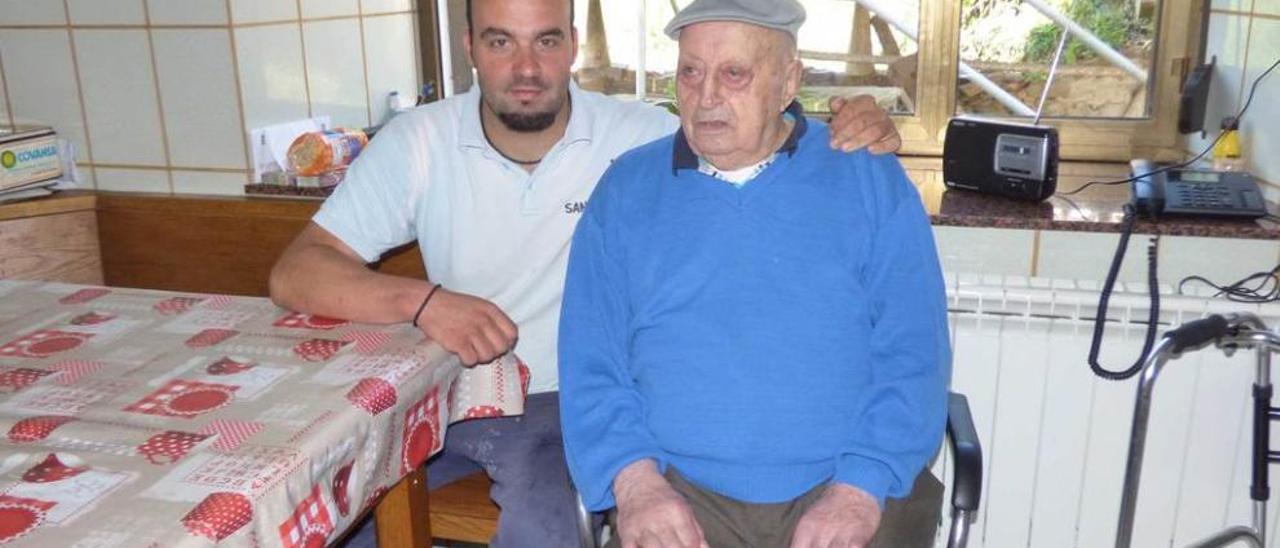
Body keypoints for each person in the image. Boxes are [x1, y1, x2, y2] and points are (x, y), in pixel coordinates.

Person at [268, 0, 904, 545]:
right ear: (469, 48)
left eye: (547, 40)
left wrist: (852, 121)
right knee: (321, 501)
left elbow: (751, 125)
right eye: (500, 41)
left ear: (572, 45)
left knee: (552, 522)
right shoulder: (418, 141)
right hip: (437, 389)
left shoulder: (637, 139)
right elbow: (296, 273)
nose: (525, 68)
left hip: (557, 400)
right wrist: (425, 302)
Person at [557, 0, 951, 547]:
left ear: (789, 81)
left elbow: (915, 356)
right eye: (690, 71)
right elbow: (591, 364)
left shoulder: (867, 180)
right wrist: (635, 481)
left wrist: (861, 487)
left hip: (846, 481)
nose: (706, 96)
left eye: (734, 73)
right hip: (678, 489)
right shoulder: (626, 191)